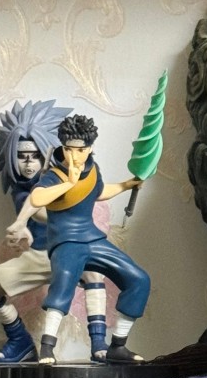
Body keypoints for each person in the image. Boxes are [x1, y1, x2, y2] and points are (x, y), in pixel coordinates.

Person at [0, 99, 108, 363]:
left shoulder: (72, 180)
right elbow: (37, 212)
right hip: (39, 256)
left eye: (35, 156)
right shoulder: (21, 192)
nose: (28, 164)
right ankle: (20, 340)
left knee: (94, 273)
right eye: (21, 156)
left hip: (71, 251)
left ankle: (99, 344)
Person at [28, 113, 150, 364]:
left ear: (90, 148)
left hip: (92, 238)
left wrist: (126, 184)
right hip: (65, 242)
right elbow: (37, 199)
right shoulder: (54, 176)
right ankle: (47, 347)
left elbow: (99, 191)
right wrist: (69, 183)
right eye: (69, 149)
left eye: (80, 150)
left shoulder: (92, 170)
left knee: (138, 279)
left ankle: (118, 346)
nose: (74, 156)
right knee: (63, 282)